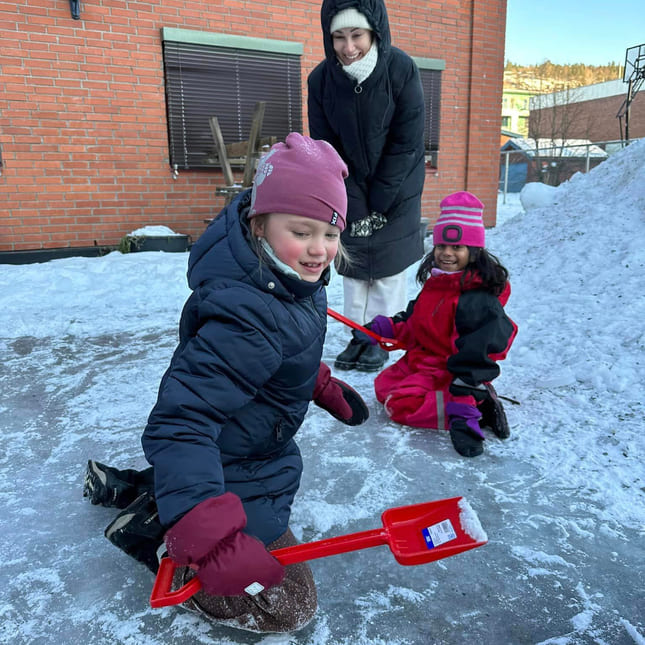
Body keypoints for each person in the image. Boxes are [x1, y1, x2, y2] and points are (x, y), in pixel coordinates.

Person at [82, 133, 370, 633]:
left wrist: (319, 383)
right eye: (301, 232)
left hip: (256, 451)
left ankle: (155, 498)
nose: (319, 250)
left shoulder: (290, 285)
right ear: (259, 225)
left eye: (330, 233)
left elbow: (283, 355)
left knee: (248, 525)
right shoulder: (247, 317)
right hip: (236, 463)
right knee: (289, 605)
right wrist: (213, 542)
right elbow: (181, 423)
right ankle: (166, 535)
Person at [307, 0, 426, 373]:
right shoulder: (321, 80)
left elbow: (407, 141)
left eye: (356, 35)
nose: (348, 46)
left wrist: (380, 202)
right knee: (354, 269)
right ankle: (359, 335)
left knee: (388, 272)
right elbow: (327, 148)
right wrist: (356, 205)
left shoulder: (401, 70)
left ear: (374, 31)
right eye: (338, 37)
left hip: (399, 188)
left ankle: (381, 338)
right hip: (347, 189)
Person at [355, 191, 517, 458]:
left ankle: (471, 405)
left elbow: (480, 349)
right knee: (384, 386)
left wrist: (465, 387)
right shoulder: (437, 284)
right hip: (422, 359)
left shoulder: (477, 300)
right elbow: (417, 323)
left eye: (457, 247)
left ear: (474, 251)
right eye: (441, 246)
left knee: (401, 405)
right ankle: (467, 399)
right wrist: (386, 328)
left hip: (451, 369)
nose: (446, 253)